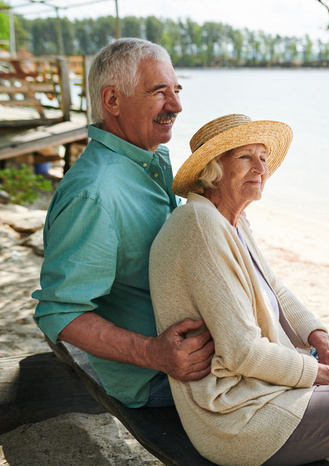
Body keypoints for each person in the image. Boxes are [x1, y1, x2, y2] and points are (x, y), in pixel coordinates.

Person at [149, 114, 329, 465]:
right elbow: (243, 354)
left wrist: (322, 338)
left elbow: (275, 291)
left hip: (269, 385)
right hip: (239, 415)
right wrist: (327, 375)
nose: (261, 167)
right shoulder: (201, 225)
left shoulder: (233, 220)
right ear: (213, 169)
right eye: (246, 157)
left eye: (264, 157)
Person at [32, 38, 214, 408]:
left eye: (176, 90)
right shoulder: (94, 194)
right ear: (113, 100)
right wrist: (155, 354)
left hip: (198, 359)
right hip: (157, 377)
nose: (176, 106)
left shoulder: (147, 160)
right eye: (159, 92)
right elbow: (60, 312)